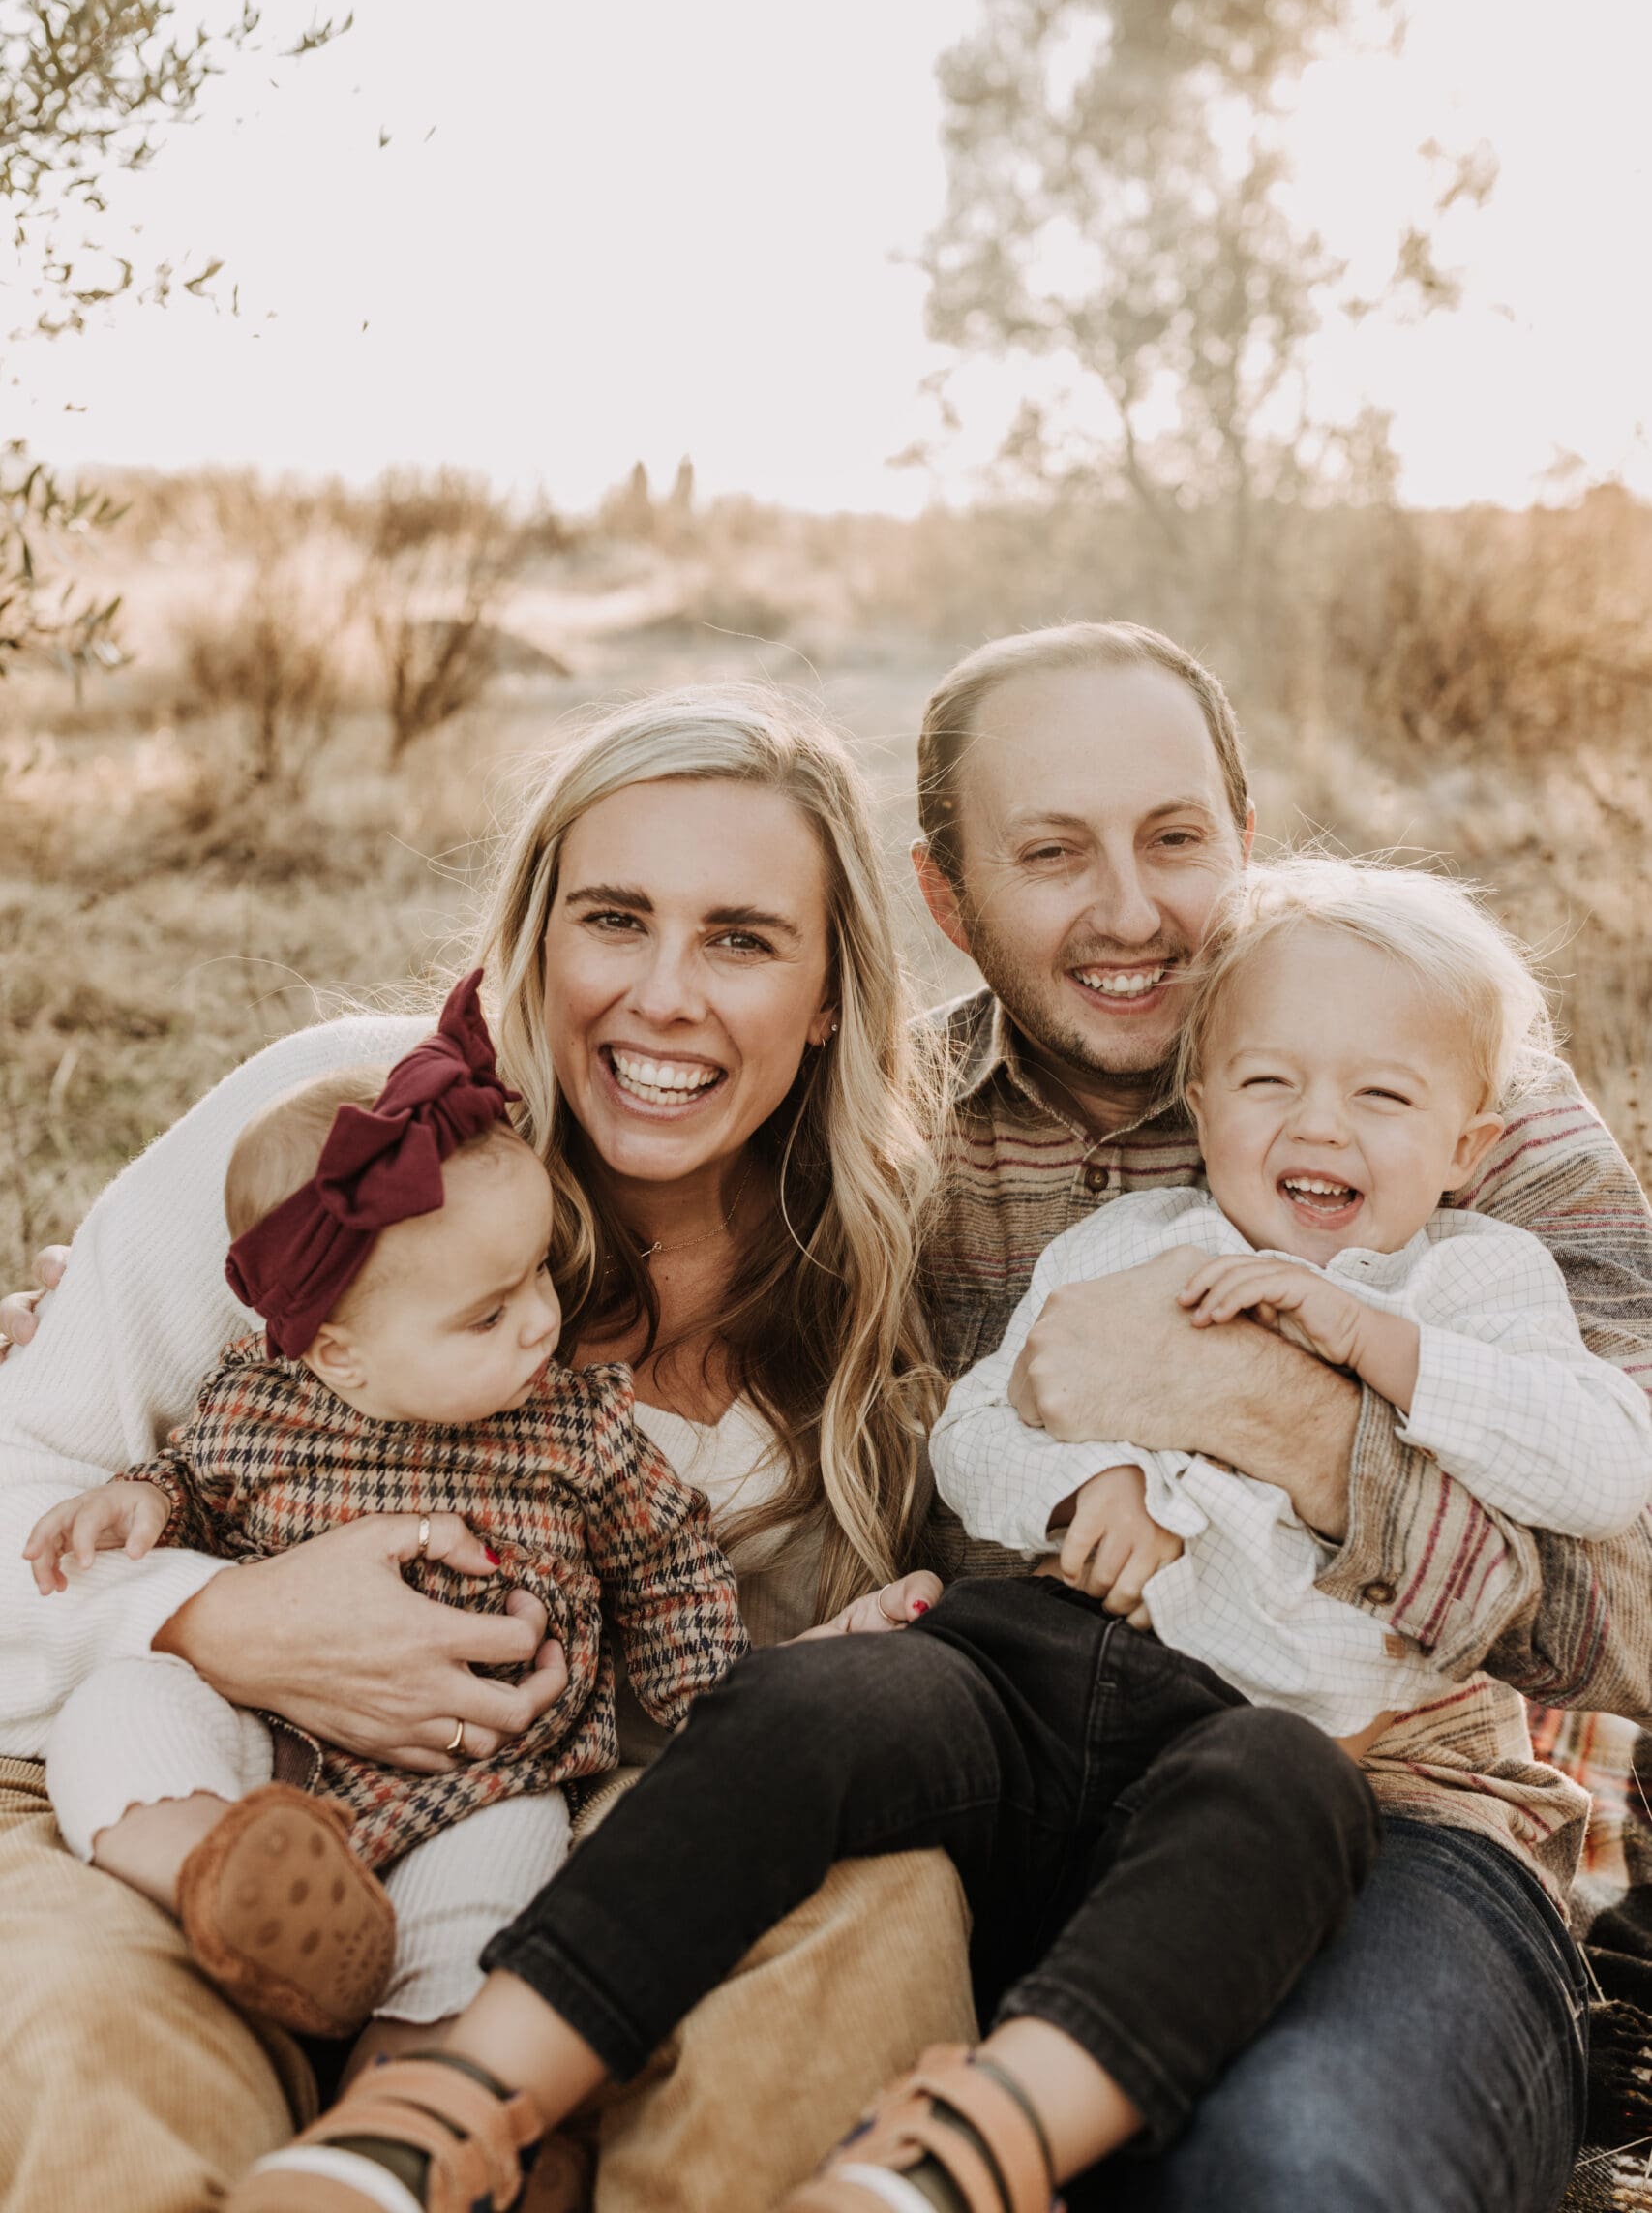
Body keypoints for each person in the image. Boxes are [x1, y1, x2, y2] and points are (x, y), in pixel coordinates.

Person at [215, 853, 1638, 2213]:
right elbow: (975, 1433)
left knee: (1279, 1799)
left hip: (1273, 1737)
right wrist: (1085, 1491)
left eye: (1377, 1098)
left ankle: (964, 2153)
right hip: (1041, 1666)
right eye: (1268, 1083)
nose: (1315, 1125)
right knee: (811, 1702)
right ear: (1197, 1105)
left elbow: (1601, 1464)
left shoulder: (1476, 1284)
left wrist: (1382, 1354)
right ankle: (454, 2104)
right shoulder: (1130, 1243)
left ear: (1467, 1146)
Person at [0, 684, 963, 2213]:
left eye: (740, 937)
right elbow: (28, 1489)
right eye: (612, 918)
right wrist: (215, 1618)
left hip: (571, 1808)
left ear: (835, 989)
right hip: (202, 1785)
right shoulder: (353, 1141)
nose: (662, 995)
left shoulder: (884, 1281)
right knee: (88, 2023)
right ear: (532, 931)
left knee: (873, 1917)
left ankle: (454, 2109)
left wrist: (814, 1685)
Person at [908, 622, 1652, 2212]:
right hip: (1049, 1778)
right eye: (1050, 854)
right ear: (946, 897)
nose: (1128, 909)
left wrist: (1298, 1430)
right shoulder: (896, 1144)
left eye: (1173, 839)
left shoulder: (1457, 1110)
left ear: (1241, 841)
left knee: (1293, 2164)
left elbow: (1638, 1591)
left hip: (1412, 1817)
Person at [22, 971, 746, 2055]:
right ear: (339, 1356)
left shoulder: (579, 1429)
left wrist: (719, 1711)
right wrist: (141, 1497)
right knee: (123, 1705)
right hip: (267, 1747)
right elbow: (192, 1476)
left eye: (540, 1273)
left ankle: (414, 2056)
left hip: (480, 1775)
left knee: (498, 1877)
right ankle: (218, 1875)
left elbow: (670, 1567)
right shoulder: (260, 1400)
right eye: (488, 1311)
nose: (541, 1320)